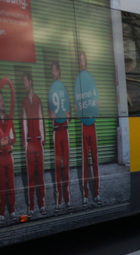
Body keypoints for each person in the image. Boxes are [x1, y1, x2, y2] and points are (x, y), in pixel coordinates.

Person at [74, 50, 100, 206]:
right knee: (85, 161)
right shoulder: (78, 81)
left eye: (83, 60)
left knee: (95, 159)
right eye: (79, 60)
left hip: (93, 123)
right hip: (83, 124)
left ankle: (96, 192)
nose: (81, 63)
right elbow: (77, 101)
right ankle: (85, 193)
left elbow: (97, 100)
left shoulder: (89, 79)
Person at [21, 71, 47, 217]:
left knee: (40, 176)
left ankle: (42, 204)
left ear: (31, 82)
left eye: (26, 81)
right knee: (31, 176)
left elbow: (42, 120)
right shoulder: (24, 103)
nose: (24, 84)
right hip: (30, 144)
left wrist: (42, 140)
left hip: (38, 143)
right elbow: (24, 123)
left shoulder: (38, 100)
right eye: (23, 82)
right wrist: (25, 143)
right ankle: (31, 207)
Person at [48, 61, 72, 212]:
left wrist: (65, 116)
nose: (52, 73)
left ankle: (67, 199)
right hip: (57, 131)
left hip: (63, 130)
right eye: (52, 71)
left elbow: (69, 114)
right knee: (58, 166)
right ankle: (59, 199)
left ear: (58, 71)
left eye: (54, 70)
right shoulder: (54, 89)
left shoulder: (61, 88)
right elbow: (50, 115)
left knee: (66, 165)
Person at [0, 87, 16, 223]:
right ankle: (1, 212)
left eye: (2, 99)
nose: (2, 102)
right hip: (0, 157)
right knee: (2, 186)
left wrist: (9, 140)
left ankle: (12, 210)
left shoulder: (9, 119)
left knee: (11, 184)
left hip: (9, 156)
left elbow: (14, 138)